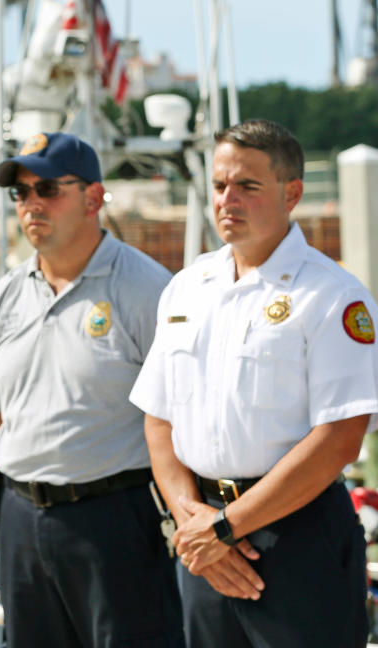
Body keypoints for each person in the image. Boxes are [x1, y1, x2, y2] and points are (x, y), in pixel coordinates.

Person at [129, 119, 378, 648]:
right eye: (220, 185)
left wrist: (225, 529)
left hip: (297, 536)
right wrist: (191, 520)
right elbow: (158, 417)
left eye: (247, 186)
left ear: (291, 193)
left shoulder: (332, 297)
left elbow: (340, 438)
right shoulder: (186, 288)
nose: (228, 199)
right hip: (203, 533)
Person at [0, 131, 184, 647]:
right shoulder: (3, 296)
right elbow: (1, 413)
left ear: (93, 198)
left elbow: (181, 416)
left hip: (114, 521)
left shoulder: (145, 289)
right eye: (20, 193)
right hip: (22, 521)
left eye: (47, 189)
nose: (31, 204)